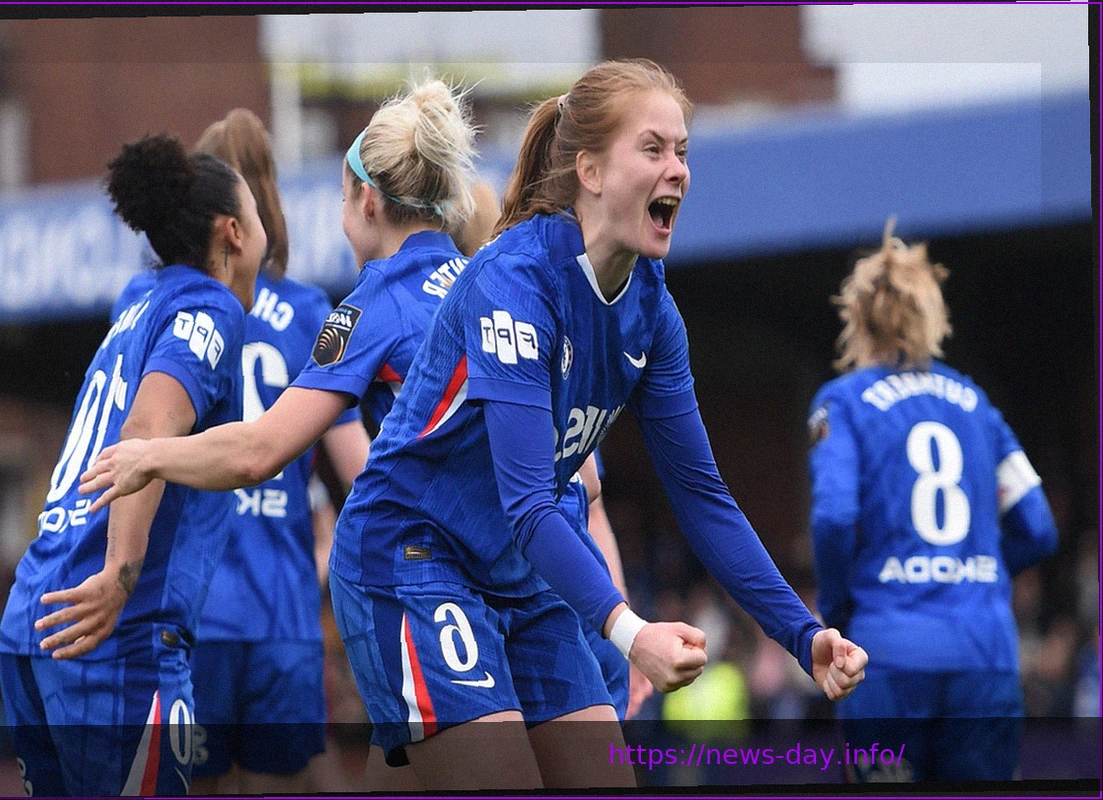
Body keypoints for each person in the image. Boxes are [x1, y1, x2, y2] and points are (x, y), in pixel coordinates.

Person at [84, 60, 867, 790]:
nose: (679, 170)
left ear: (365, 201)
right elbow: (540, 496)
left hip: (519, 569)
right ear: (588, 171)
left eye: (683, 151)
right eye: (654, 148)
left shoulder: (648, 311)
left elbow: (698, 495)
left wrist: (801, 636)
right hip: (414, 558)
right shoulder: (508, 282)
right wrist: (628, 627)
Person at [0, 133, 266, 796]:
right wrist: (120, 575)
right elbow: (147, 431)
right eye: (258, 218)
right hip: (112, 633)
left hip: (33, 613)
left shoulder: (137, 300)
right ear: (233, 233)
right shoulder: (211, 306)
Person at [808, 220, 1058, 782]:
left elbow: (832, 517)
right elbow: (1037, 526)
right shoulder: (976, 403)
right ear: (931, 316)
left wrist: (838, 610)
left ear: (858, 318)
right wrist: (980, 572)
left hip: (886, 657)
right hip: (983, 653)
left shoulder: (843, 402)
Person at [189, 108, 370, 796]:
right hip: (283, 611)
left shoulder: (186, 308)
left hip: (199, 609)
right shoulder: (310, 312)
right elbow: (362, 470)